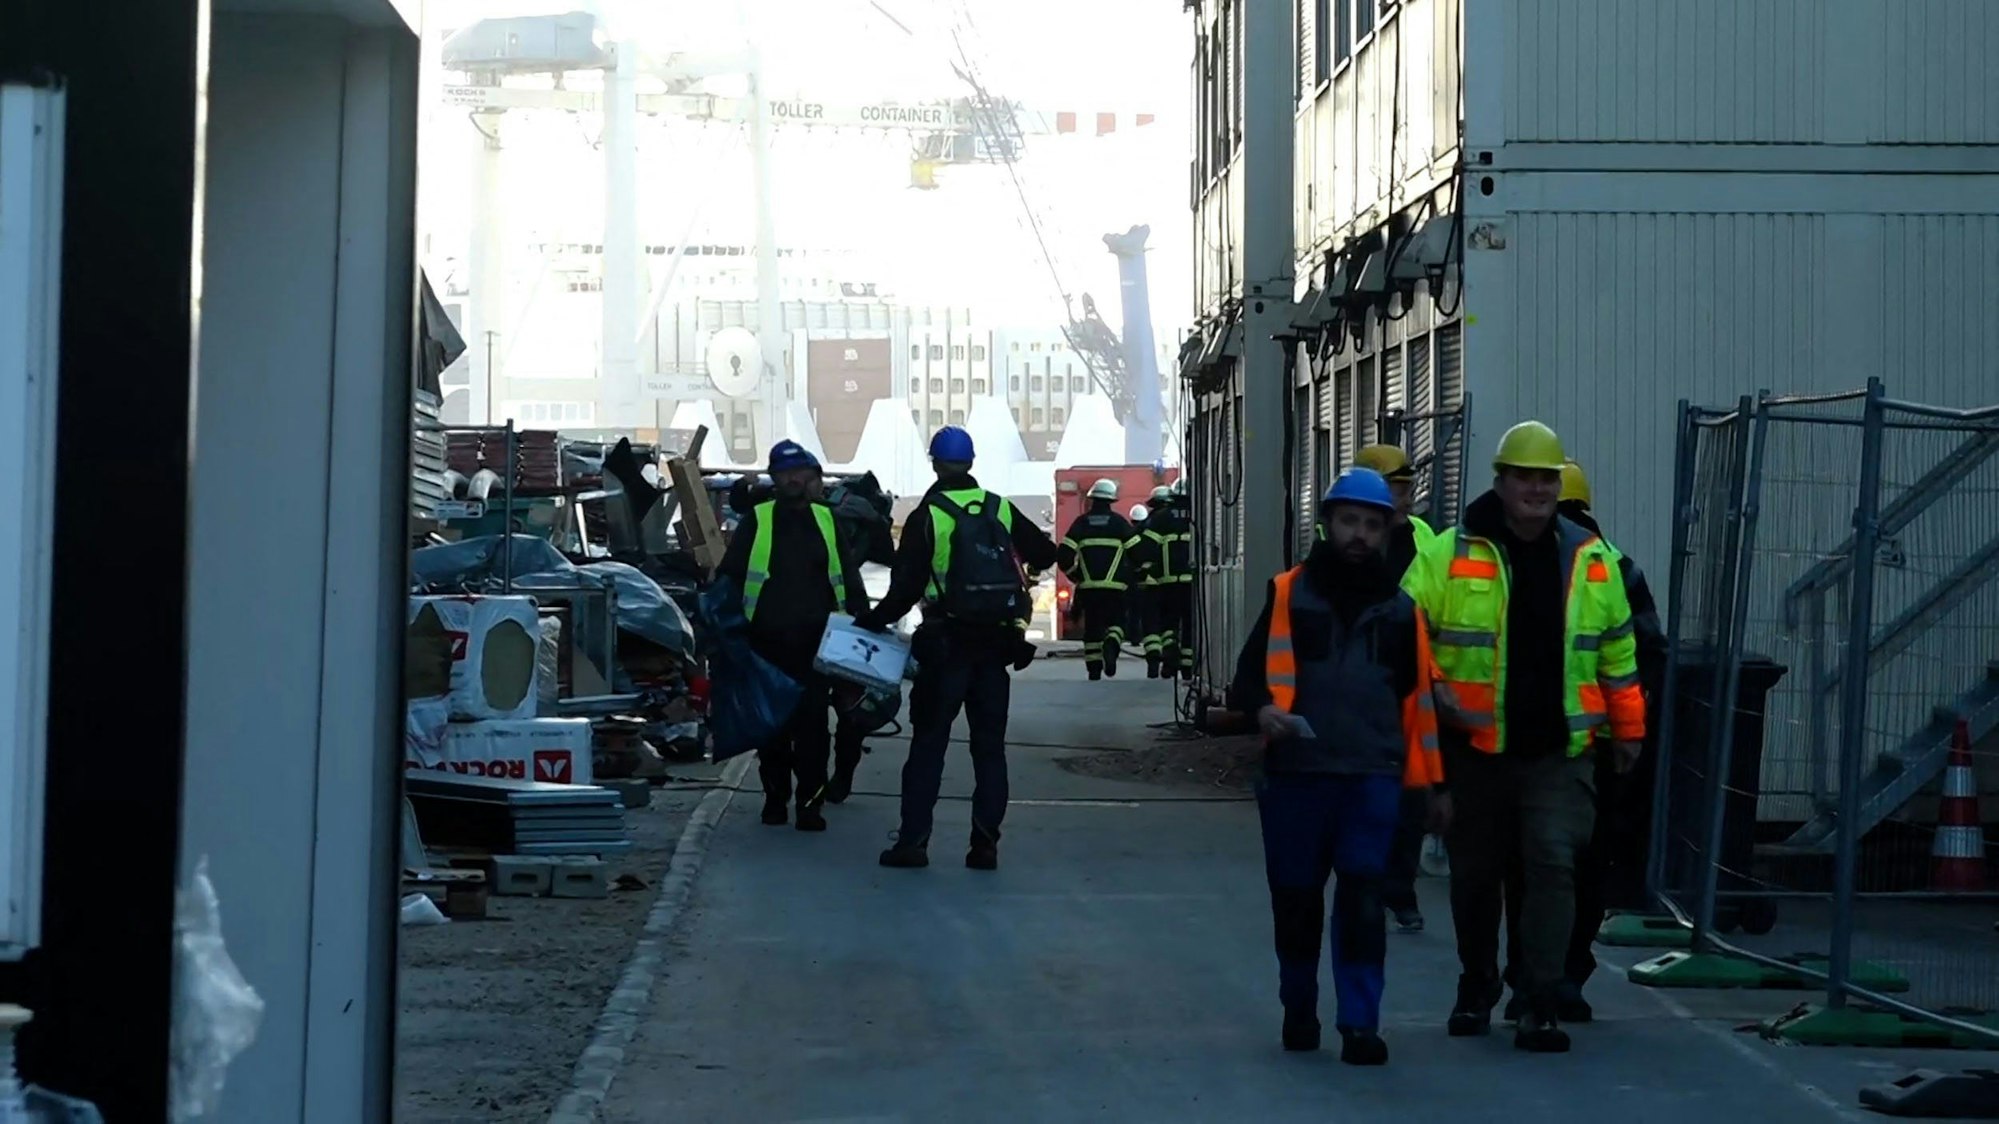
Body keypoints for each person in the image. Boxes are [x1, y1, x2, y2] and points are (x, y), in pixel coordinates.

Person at [1400, 420, 1645, 1054]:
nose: (1536, 489)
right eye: (1524, 478)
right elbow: (1402, 626)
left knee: (1553, 869)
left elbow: (1618, 650)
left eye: (1546, 479)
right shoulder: (1450, 553)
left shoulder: (1592, 559)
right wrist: (1433, 683)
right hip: (1475, 750)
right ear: (1501, 483)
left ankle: (1538, 1000)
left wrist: (1629, 729)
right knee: (1476, 876)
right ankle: (1477, 985)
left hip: (1559, 754)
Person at [1231, 468, 1450, 1065]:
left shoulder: (1403, 613)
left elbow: (1418, 709)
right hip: (1298, 777)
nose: (1359, 534)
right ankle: (1299, 1008)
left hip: (1371, 777)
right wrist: (1264, 710)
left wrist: (1431, 786)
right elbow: (1244, 681)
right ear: (1326, 524)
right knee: (1297, 904)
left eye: (1372, 525)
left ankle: (1360, 1024)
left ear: (1386, 532)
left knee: (1361, 904)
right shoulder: (1287, 594)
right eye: (1349, 521)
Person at [1498, 458, 1669, 1022]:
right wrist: (1630, 735)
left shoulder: (1521, 558)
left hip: (1546, 744)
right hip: (1598, 748)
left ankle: (1531, 974)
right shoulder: (1617, 566)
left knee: (1535, 866)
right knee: (1582, 868)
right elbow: (1643, 659)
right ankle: (1565, 974)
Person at [854, 426, 1059, 871]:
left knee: (928, 745)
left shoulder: (929, 516)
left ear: (934, 463)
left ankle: (913, 843)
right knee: (989, 750)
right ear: (971, 461)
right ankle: (984, 845)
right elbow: (1045, 553)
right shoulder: (999, 507)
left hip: (946, 646)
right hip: (995, 647)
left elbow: (903, 591)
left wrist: (866, 623)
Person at [716, 441, 872, 833]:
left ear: (815, 478)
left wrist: (865, 625)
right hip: (765, 645)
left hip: (819, 646)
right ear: (774, 478)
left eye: (801, 473)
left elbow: (848, 579)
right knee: (772, 731)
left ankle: (810, 805)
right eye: (785, 473)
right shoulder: (758, 519)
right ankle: (774, 799)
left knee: (814, 730)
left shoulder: (827, 520)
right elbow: (730, 579)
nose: (794, 480)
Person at [1354, 443, 1440, 934]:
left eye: (1406, 486)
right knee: (1366, 793)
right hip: (1363, 681)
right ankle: (1368, 883)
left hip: (1414, 682)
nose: (1404, 495)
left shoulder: (1426, 537)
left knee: (1412, 792)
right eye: (1395, 485)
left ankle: (1399, 889)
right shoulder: (1349, 538)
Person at [820, 471, 899, 804]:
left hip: (805, 615)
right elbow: (889, 557)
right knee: (850, 706)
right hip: (849, 618)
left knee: (805, 708)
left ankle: (802, 786)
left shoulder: (818, 509)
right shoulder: (869, 519)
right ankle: (841, 777)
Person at [1057, 479, 1139, 681]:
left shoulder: (1081, 523)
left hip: (1088, 588)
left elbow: (1064, 555)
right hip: (1115, 588)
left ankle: (1094, 670)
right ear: (1111, 500)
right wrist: (1132, 573)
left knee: (1092, 629)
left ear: (1092, 499)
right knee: (1117, 623)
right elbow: (1138, 551)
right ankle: (1111, 645)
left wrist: (1075, 575)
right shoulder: (1119, 523)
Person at [1139, 483, 1195, 679]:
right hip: (1192, 583)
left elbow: (1145, 548)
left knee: (1168, 621)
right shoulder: (1198, 517)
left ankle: (1170, 647)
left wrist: (1148, 570)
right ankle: (1188, 667)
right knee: (1190, 625)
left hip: (1167, 582)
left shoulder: (1160, 518)